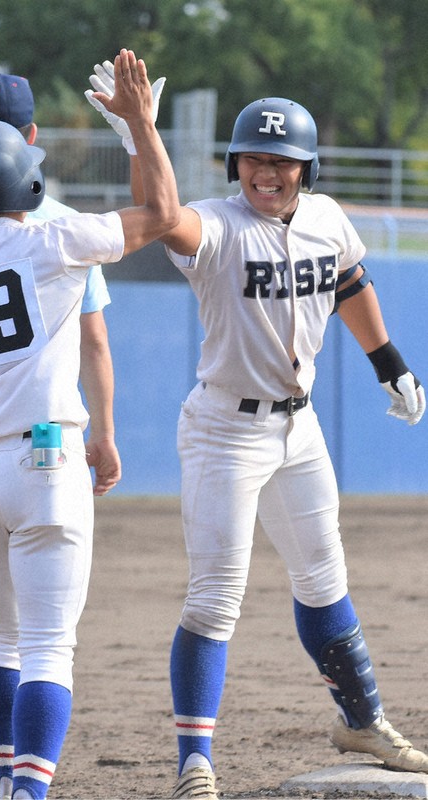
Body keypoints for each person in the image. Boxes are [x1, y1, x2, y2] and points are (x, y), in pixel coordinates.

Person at [87, 74, 428, 798]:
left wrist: (386, 360)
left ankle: (362, 720)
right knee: (215, 599)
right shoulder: (215, 225)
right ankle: (193, 765)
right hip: (223, 430)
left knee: (323, 577)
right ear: (233, 164)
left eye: (280, 162)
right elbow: (162, 213)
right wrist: (141, 135)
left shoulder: (328, 216)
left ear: (307, 169)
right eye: (251, 160)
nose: (265, 173)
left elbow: (348, 282)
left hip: (297, 427)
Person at [0, 48, 179, 800]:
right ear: (31, 177)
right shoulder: (55, 239)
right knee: (49, 645)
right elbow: (164, 216)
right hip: (46, 458)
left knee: (5, 639)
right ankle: (29, 791)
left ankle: (8, 776)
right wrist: (139, 127)